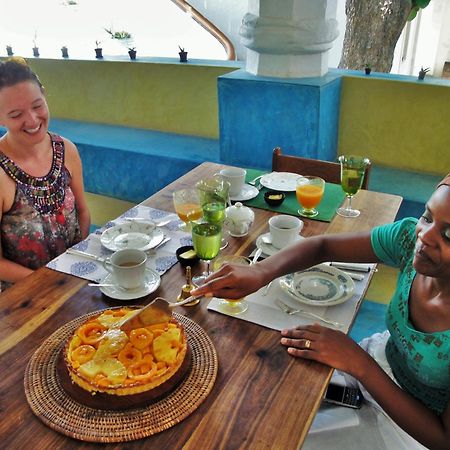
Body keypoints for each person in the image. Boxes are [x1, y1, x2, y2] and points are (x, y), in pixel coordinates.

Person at [192, 175, 450, 449]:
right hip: (377, 364)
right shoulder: (409, 240)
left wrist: (358, 363)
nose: (425, 235)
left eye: (449, 234)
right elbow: (323, 246)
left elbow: (443, 438)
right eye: (427, 217)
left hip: (412, 428)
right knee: (263, 409)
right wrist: (260, 271)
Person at [0, 58, 90, 289]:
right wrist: (49, 281)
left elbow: (82, 211)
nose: (32, 120)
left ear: (45, 95)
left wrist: (76, 264)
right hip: (22, 296)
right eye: (15, 114)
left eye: (37, 106)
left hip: (71, 279)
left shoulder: (66, 149)